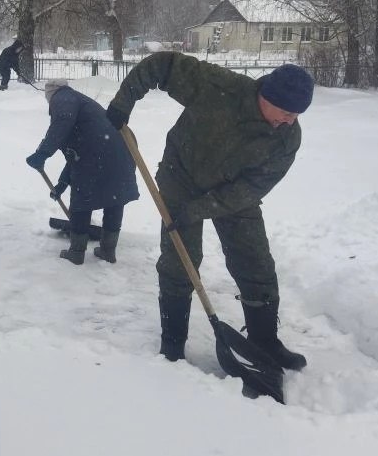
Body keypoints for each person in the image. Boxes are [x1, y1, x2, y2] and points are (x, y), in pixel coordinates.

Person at [105, 54, 313, 371]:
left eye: (296, 115)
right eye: (286, 112)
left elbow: (253, 188)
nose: (289, 121)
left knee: (255, 262)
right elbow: (161, 65)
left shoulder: (287, 138)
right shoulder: (219, 87)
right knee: (180, 261)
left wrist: (202, 209)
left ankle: (264, 342)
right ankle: (172, 345)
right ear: (266, 96)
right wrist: (124, 102)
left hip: (232, 194)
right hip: (181, 178)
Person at [26, 80, 139, 264]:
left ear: (50, 94)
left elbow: (63, 122)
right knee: (114, 198)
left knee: (82, 200)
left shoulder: (62, 97)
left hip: (96, 155)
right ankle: (107, 250)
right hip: (122, 150)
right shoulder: (82, 103)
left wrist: (43, 153)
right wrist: (62, 183)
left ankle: (76, 252)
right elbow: (75, 155)